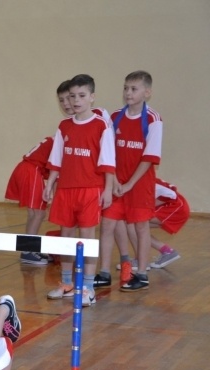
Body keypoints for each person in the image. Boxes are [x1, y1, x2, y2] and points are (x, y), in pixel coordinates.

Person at [43, 74, 115, 306]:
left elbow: (108, 160)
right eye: (72, 96)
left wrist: (107, 189)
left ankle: (87, 287)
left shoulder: (101, 125)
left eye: (82, 96)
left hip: (91, 189)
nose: (76, 101)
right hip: (66, 190)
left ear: (92, 97)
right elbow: (56, 158)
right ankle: (66, 283)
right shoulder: (64, 126)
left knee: (87, 239)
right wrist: (50, 183)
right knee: (66, 237)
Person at [96, 71, 162, 292]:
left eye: (133, 89)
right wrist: (113, 180)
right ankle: (104, 273)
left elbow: (149, 157)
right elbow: (108, 152)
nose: (128, 93)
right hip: (116, 183)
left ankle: (141, 274)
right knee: (107, 225)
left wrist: (130, 184)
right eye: (126, 88)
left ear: (147, 92)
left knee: (141, 227)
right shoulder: (115, 117)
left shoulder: (153, 119)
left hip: (139, 185)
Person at [4, 80, 74, 265]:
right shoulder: (64, 133)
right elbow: (57, 165)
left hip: (27, 169)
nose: (66, 103)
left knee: (35, 213)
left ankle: (29, 249)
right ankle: (28, 251)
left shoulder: (66, 131)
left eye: (69, 98)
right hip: (30, 169)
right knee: (37, 214)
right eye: (62, 100)